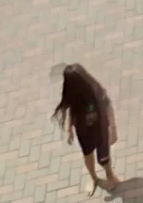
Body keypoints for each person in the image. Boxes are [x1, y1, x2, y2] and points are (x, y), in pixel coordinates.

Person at [52, 64, 119, 195]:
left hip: (100, 128)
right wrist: (69, 129)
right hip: (83, 131)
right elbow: (72, 111)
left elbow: (108, 107)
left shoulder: (96, 90)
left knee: (103, 156)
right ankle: (93, 178)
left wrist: (113, 128)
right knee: (87, 154)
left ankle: (110, 175)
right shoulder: (74, 95)